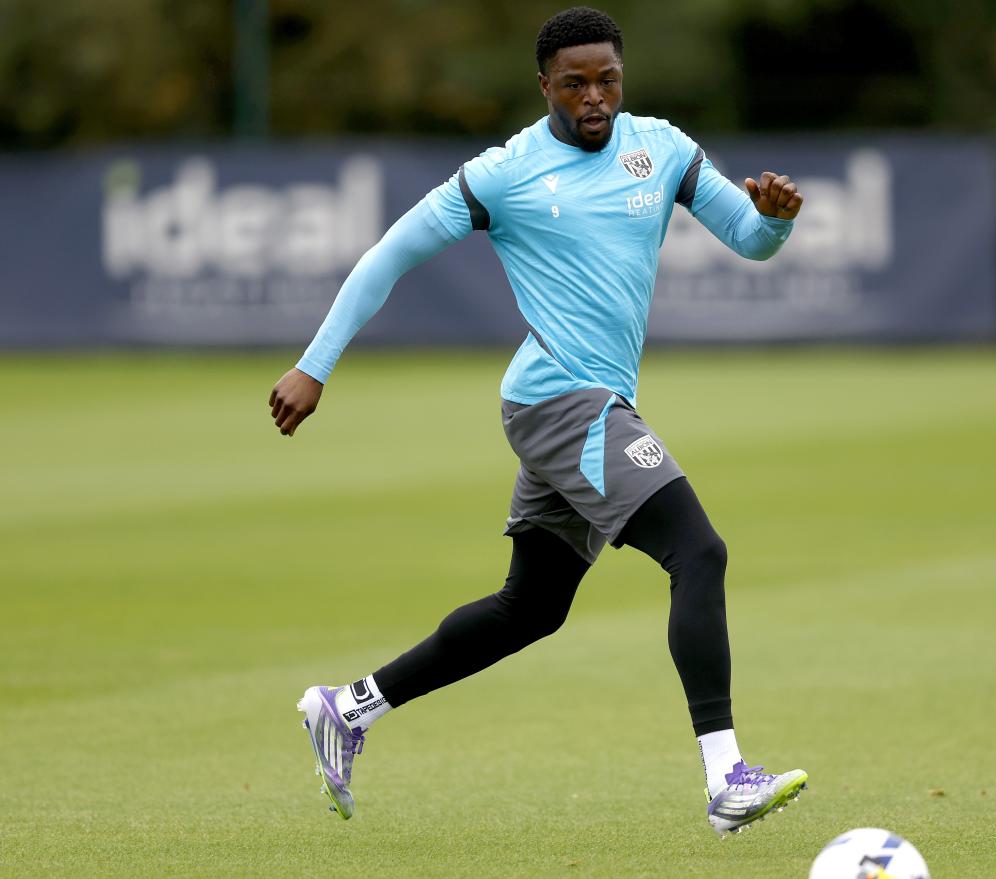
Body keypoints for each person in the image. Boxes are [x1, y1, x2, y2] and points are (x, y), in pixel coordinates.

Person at [272, 6, 806, 836]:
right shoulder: (505, 173)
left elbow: (748, 239)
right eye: (575, 84)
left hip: (583, 402)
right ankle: (726, 775)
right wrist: (315, 363)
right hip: (562, 401)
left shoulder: (660, 147)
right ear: (545, 87)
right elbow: (390, 255)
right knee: (698, 550)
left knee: (532, 607)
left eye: (608, 80)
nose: (595, 97)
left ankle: (348, 708)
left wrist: (772, 216)